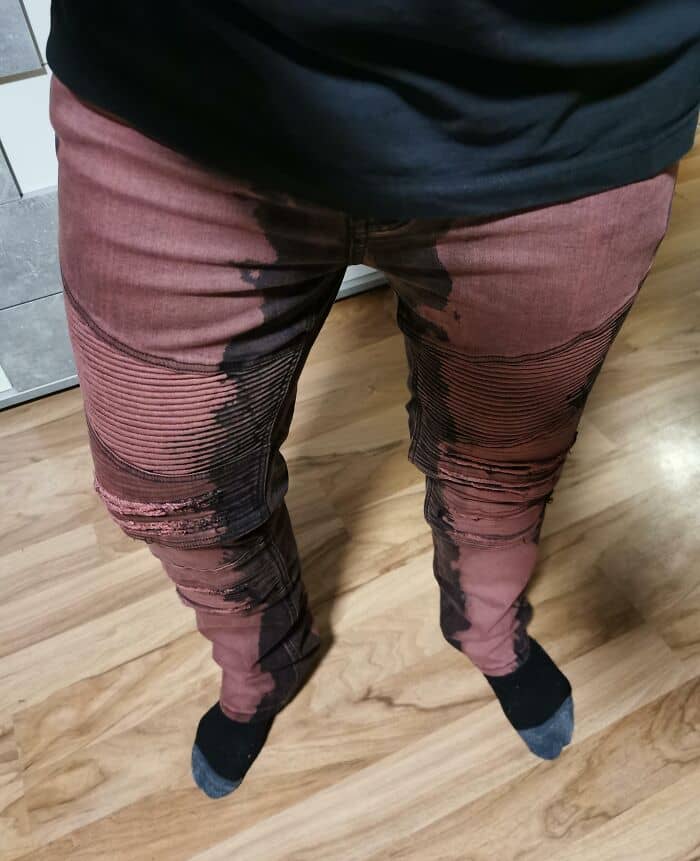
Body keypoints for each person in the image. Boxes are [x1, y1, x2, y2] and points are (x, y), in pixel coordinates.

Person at [46, 1, 700, 799]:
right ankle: (262, 661)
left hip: (568, 116)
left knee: (504, 463)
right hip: (173, 92)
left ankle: (485, 623)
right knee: (172, 490)